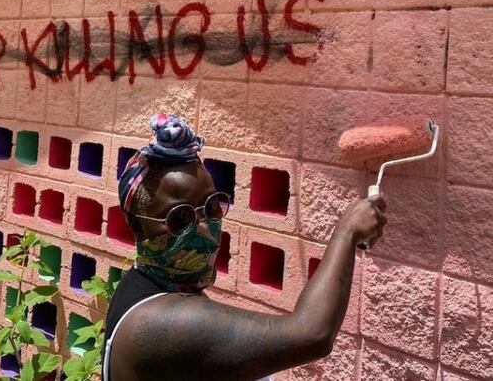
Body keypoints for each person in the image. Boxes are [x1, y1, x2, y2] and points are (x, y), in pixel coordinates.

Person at [102, 114, 387, 381]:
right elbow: (312, 334)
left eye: (211, 207)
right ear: (138, 226)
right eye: (180, 217)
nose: (204, 228)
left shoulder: (152, 286)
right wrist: (346, 233)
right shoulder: (161, 321)